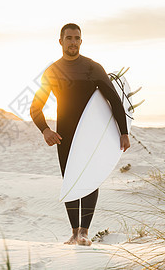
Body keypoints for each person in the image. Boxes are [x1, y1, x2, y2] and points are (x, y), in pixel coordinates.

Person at [30, 23, 130, 245]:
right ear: (61, 41)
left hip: (91, 134)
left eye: (76, 38)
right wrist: (45, 130)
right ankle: (74, 232)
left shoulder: (93, 68)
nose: (73, 42)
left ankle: (84, 232)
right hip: (65, 135)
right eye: (69, 38)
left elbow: (114, 100)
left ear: (81, 41)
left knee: (90, 179)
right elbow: (35, 107)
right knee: (71, 181)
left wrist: (123, 132)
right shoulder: (53, 71)